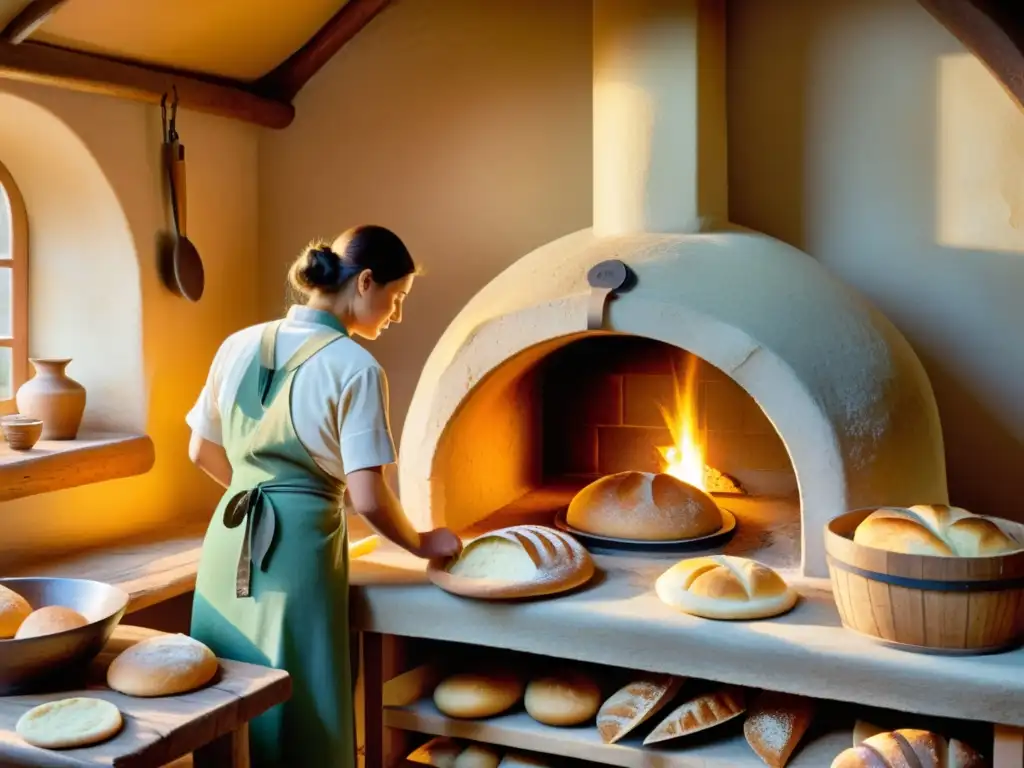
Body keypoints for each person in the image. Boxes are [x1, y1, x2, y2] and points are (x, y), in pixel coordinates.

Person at [185, 225, 462, 768]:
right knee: (301, 701)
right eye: (396, 298)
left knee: (221, 696)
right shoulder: (355, 367)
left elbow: (200, 451)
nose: (396, 313)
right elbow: (369, 497)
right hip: (298, 553)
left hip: (226, 538)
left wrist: (260, 493)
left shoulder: (237, 343)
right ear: (365, 282)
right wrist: (423, 543)